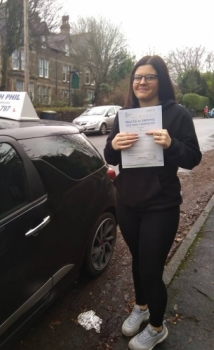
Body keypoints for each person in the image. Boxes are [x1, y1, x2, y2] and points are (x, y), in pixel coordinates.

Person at [104, 55, 202, 350]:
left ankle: (157, 327)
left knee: (150, 268)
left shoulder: (177, 114)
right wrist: (114, 146)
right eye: (137, 77)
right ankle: (142, 306)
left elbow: (194, 157)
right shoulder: (125, 115)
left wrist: (172, 145)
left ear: (161, 80)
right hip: (127, 201)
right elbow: (110, 156)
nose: (141, 82)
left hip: (161, 204)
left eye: (149, 77)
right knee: (138, 261)